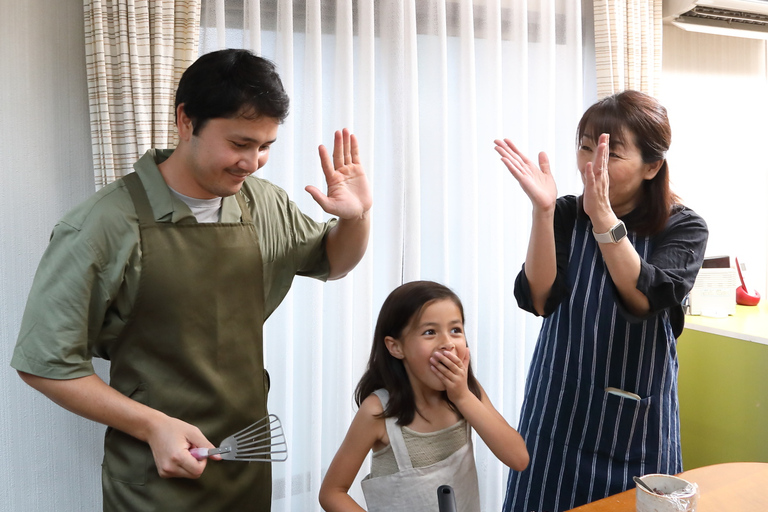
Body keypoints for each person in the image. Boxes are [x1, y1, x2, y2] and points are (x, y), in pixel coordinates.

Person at [11, 49, 371, 511]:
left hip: (245, 465)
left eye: (265, 147)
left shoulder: (264, 204)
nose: (253, 162)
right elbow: (44, 363)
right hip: (153, 480)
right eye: (240, 144)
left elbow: (333, 262)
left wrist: (357, 217)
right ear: (186, 120)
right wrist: (150, 425)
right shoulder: (102, 224)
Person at [494, 90, 709, 512]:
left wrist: (604, 218)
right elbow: (538, 298)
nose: (592, 164)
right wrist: (542, 212)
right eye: (586, 147)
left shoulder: (683, 227)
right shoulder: (564, 214)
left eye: (611, 154)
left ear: (652, 166)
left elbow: (644, 298)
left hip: (636, 430)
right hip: (557, 414)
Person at [319, 280, 529, 512]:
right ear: (395, 347)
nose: (448, 343)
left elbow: (518, 458)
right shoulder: (377, 411)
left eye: (455, 330)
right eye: (430, 332)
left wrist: (463, 398)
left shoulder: (468, 392)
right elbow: (332, 492)